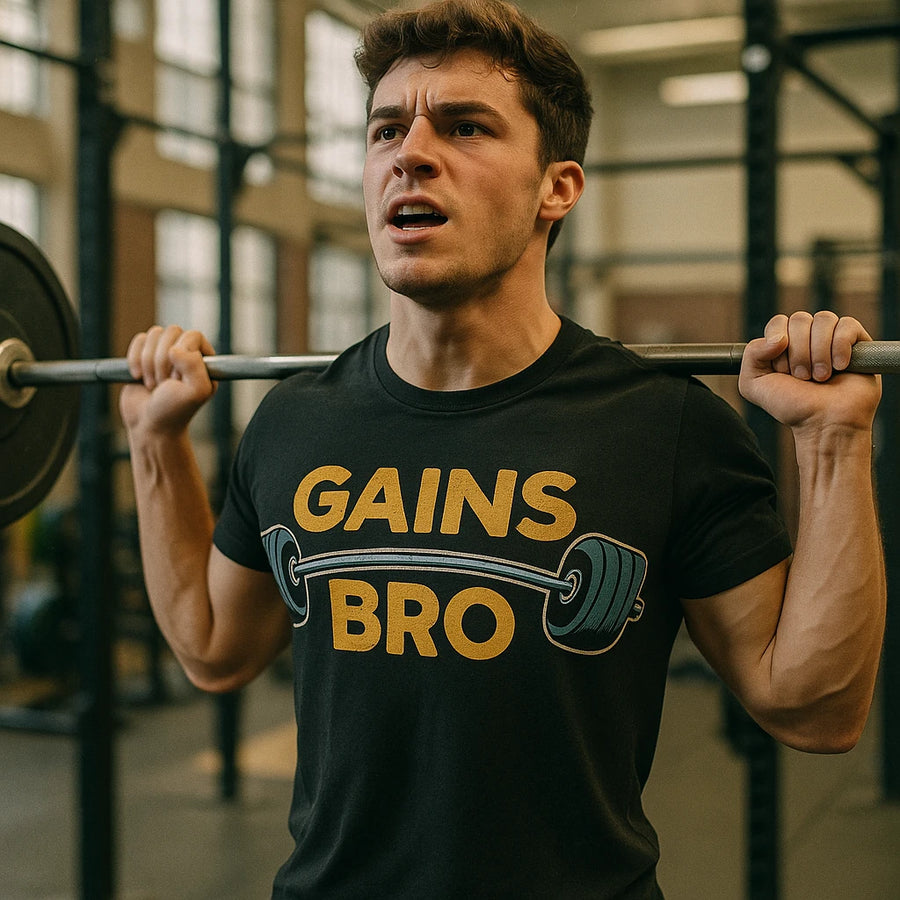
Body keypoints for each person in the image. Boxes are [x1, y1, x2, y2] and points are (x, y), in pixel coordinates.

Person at [119, 1, 886, 897]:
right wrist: (153, 441)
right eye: (384, 130)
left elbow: (816, 709)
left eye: (465, 125)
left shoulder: (662, 426)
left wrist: (832, 442)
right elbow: (213, 650)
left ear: (556, 187)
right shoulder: (293, 420)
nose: (409, 150)